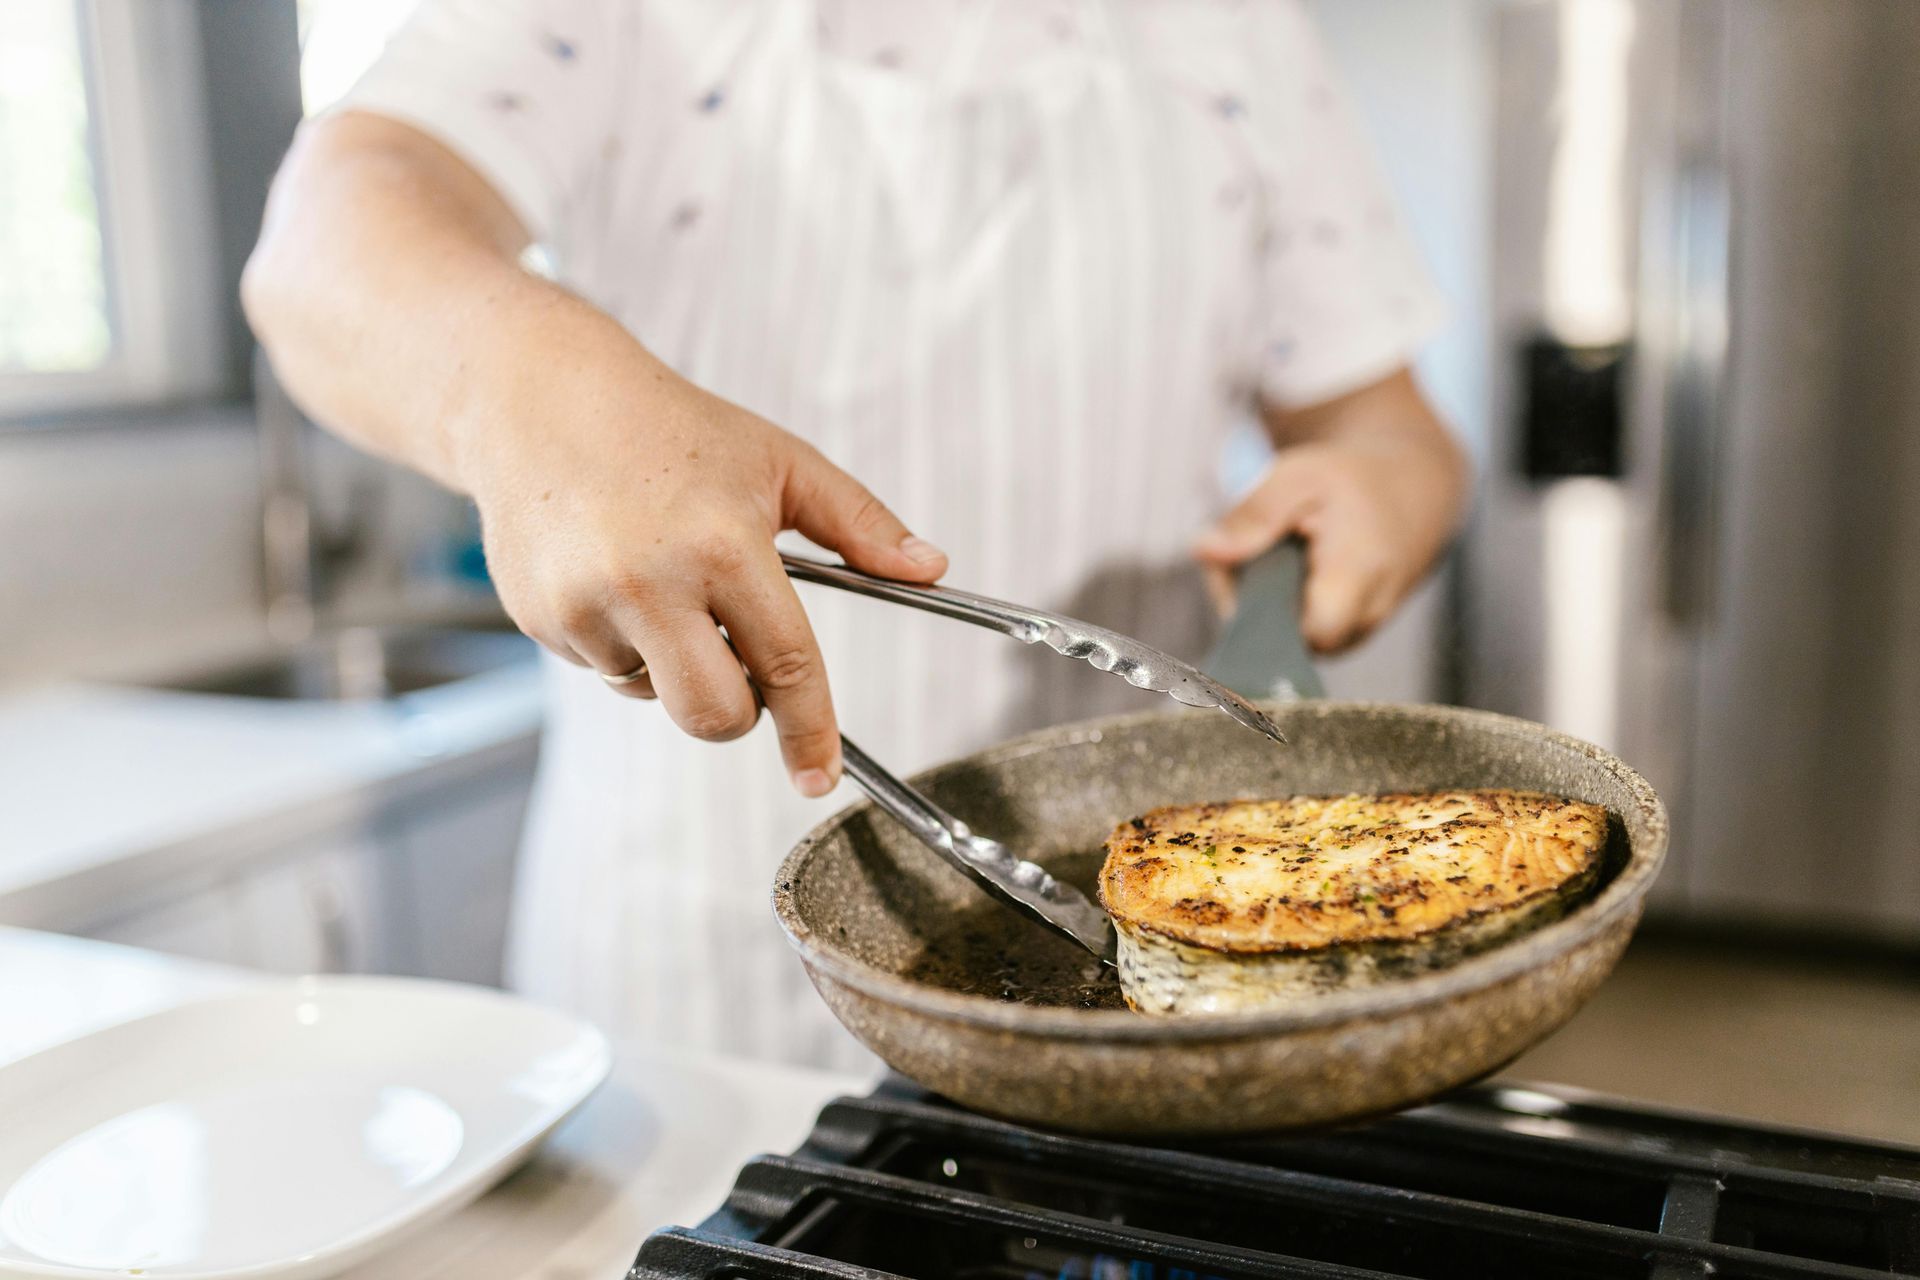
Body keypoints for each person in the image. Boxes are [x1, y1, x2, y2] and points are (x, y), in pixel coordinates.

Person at [244, 0, 1468, 1070]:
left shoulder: (1235, 28)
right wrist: (524, 387)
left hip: (1135, 972)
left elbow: (1390, 426)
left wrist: (1376, 490)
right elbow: (327, 241)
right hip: (702, 985)